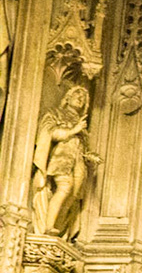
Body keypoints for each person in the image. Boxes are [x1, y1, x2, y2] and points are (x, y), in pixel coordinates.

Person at [30, 80, 94, 238]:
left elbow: (82, 145)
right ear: (68, 97)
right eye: (77, 95)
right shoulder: (56, 113)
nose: (81, 98)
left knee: (74, 193)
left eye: (84, 98)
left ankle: (58, 228)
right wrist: (73, 130)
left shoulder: (81, 122)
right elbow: (49, 133)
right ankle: (49, 225)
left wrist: (90, 156)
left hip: (77, 162)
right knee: (65, 186)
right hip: (61, 158)